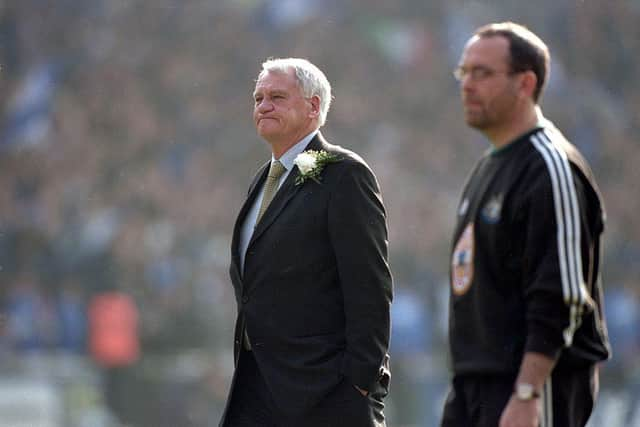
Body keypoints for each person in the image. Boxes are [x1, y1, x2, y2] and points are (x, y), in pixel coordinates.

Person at [441, 22, 610, 427]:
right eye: (464, 72)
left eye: (483, 73)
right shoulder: (487, 166)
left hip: (530, 386)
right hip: (476, 383)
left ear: (525, 83)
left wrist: (528, 390)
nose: (467, 84)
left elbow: (562, 294)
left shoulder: (549, 167)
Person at [220, 57, 393, 427]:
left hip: (323, 395)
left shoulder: (344, 174)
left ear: (314, 106)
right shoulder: (262, 181)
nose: (263, 105)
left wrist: (359, 383)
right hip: (258, 388)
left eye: (277, 97)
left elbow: (369, 287)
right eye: (258, 98)